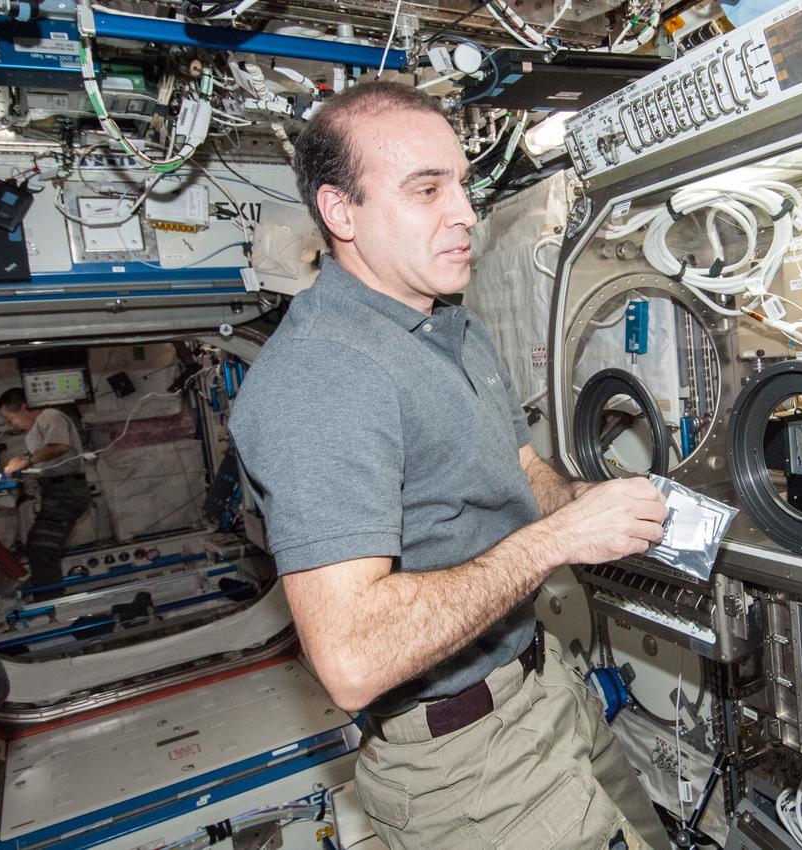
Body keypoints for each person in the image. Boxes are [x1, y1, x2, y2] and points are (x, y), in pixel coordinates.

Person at [229, 81, 669, 849]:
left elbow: (517, 466)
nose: (464, 213)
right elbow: (352, 658)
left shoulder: (451, 325)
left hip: (543, 682)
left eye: (462, 184)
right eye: (425, 189)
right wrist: (556, 543)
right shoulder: (323, 376)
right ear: (341, 213)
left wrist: (584, 501)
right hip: (465, 765)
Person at [0, 388, 90, 598]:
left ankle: (50, 603)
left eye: (11, 418)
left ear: (23, 406)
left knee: (42, 549)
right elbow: (45, 453)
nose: (13, 424)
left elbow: (59, 447)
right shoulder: (38, 428)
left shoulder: (50, 416)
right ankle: (48, 596)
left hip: (66, 492)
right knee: (39, 546)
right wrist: (22, 462)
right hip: (58, 492)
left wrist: (27, 461)